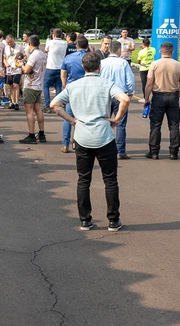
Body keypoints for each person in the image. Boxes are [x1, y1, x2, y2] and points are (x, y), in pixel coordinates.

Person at [49, 51, 130, 232]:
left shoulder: (73, 85)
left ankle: (85, 220)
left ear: (83, 67)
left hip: (82, 136)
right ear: (99, 67)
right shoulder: (107, 84)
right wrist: (117, 118)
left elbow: (54, 104)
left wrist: (71, 120)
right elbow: (124, 99)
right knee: (110, 180)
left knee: (83, 179)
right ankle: (113, 220)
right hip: (104, 136)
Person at [144, 42, 180, 160]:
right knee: (174, 125)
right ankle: (174, 151)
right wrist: (177, 95)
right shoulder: (179, 65)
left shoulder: (154, 64)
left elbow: (149, 84)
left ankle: (154, 151)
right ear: (172, 52)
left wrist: (147, 98)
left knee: (156, 124)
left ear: (160, 52)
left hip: (158, 96)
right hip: (173, 96)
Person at [98, 46, 135, 160]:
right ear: (119, 50)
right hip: (120, 95)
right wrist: (130, 92)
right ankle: (121, 151)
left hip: (105, 95)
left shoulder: (102, 63)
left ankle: (102, 149)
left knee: (103, 122)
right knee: (121, 124)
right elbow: (130, 80)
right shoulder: (123, 63)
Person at [58, 37, 89, 154]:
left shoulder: (68, 58)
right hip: (86, 88)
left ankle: (65, 144)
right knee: (84, 117)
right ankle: (79, 143)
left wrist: (65, 86)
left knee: (68, 116)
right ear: (87, 46)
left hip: (72, 88)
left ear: (76, 46)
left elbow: (63, 74)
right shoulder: (89, 58)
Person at [18, 36, 48, 144]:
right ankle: (41, 133)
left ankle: (31, 135)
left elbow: (26, 70)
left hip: (31, 85)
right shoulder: (42, 54)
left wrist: (21, 65)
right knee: (38, 109)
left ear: (30, 44)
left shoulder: (33, 55)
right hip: (39, 85)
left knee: (29, 110)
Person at [43, 29, 67, 107]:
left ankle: (47, 104)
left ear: (53, 35)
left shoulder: (50, 42)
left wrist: (49, 40)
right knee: (58, 86)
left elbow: (46, 50)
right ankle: (58, 104)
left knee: (46, 86)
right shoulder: (65, 43)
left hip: (51, 66)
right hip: (60, 67)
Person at [4, 35, 23, 110]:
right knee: (11, 86)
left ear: (14, 40)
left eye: (11, 42)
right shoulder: (6, 48)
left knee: (16, 85)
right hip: (9, 69)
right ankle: (12, 101)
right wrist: (6, 64)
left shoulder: (19, 47)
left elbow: (23, 56)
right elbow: (4, 58)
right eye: (8, 43)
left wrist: (20, 62)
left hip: (17, 68)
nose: (9, 44)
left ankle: (17, 102)